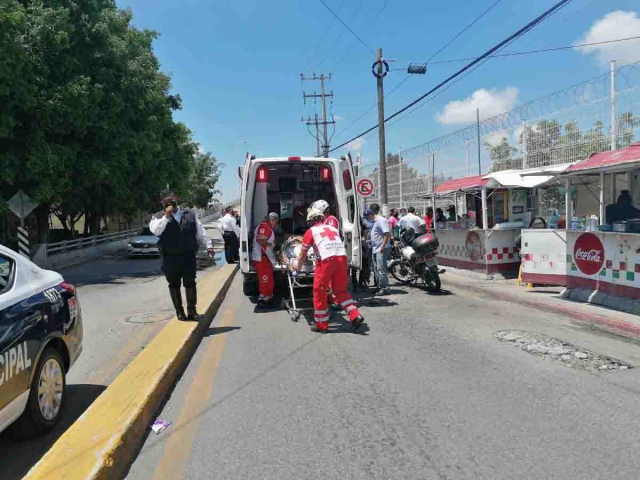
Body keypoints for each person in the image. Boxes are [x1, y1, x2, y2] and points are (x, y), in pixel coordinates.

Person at [295, 209, 365, 333]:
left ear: (310, 221)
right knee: (340, 291)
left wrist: (297, 270)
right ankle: (355, 315)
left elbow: (302, 255)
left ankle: (321, 325)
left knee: (319, 291)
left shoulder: (311, 231)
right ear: (322, 218)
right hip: (342, 258)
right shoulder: (332, 229)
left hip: (327, 260)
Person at [150, 195, 214, 320]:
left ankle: (192, 311)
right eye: (166, 206)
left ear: (175, 204)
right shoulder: (158, 217)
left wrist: (209, 245)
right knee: (174, 284)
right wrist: (166, 217)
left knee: (190, 282)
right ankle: (179, 311)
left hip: (188, 255)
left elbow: (200, 231)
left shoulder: (189, 214)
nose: (169, 208)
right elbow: (156, 230)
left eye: (171, 205)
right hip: (170, 257)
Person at [253, 212, 279, 308]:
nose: (275, 224)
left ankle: (268, 297)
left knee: (269, 281)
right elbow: (260, 240)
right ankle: (263, 299)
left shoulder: (265, 227)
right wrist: (271, 245)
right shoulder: (264, 226)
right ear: (272, 219)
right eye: (275, 222)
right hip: (261, 258)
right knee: (265, 280)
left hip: (265, 258)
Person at [368, 203, 391, 296]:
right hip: (375, 248)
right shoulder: (375, 221)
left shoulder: (381, 220)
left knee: (381, 269)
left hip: (381, 249)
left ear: (371, 212)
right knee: (376, 269)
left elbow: (386, 233)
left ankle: (385, 288)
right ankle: (379, 287)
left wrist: (382, 246)